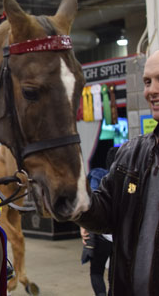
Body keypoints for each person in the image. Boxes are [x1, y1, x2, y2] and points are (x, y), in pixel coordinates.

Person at [76, 50, 159, 296]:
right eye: (147, 81)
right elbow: (105, 215)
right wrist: (76, 199)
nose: (152, 90)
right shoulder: (131, 154)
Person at [80, 147, 117, 296]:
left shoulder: (98, 175)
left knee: (96, 272)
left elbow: (93, 201)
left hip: (102, 235)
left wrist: (84, 225)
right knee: (115, 274)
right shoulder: (133, 180)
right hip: (122, 235)